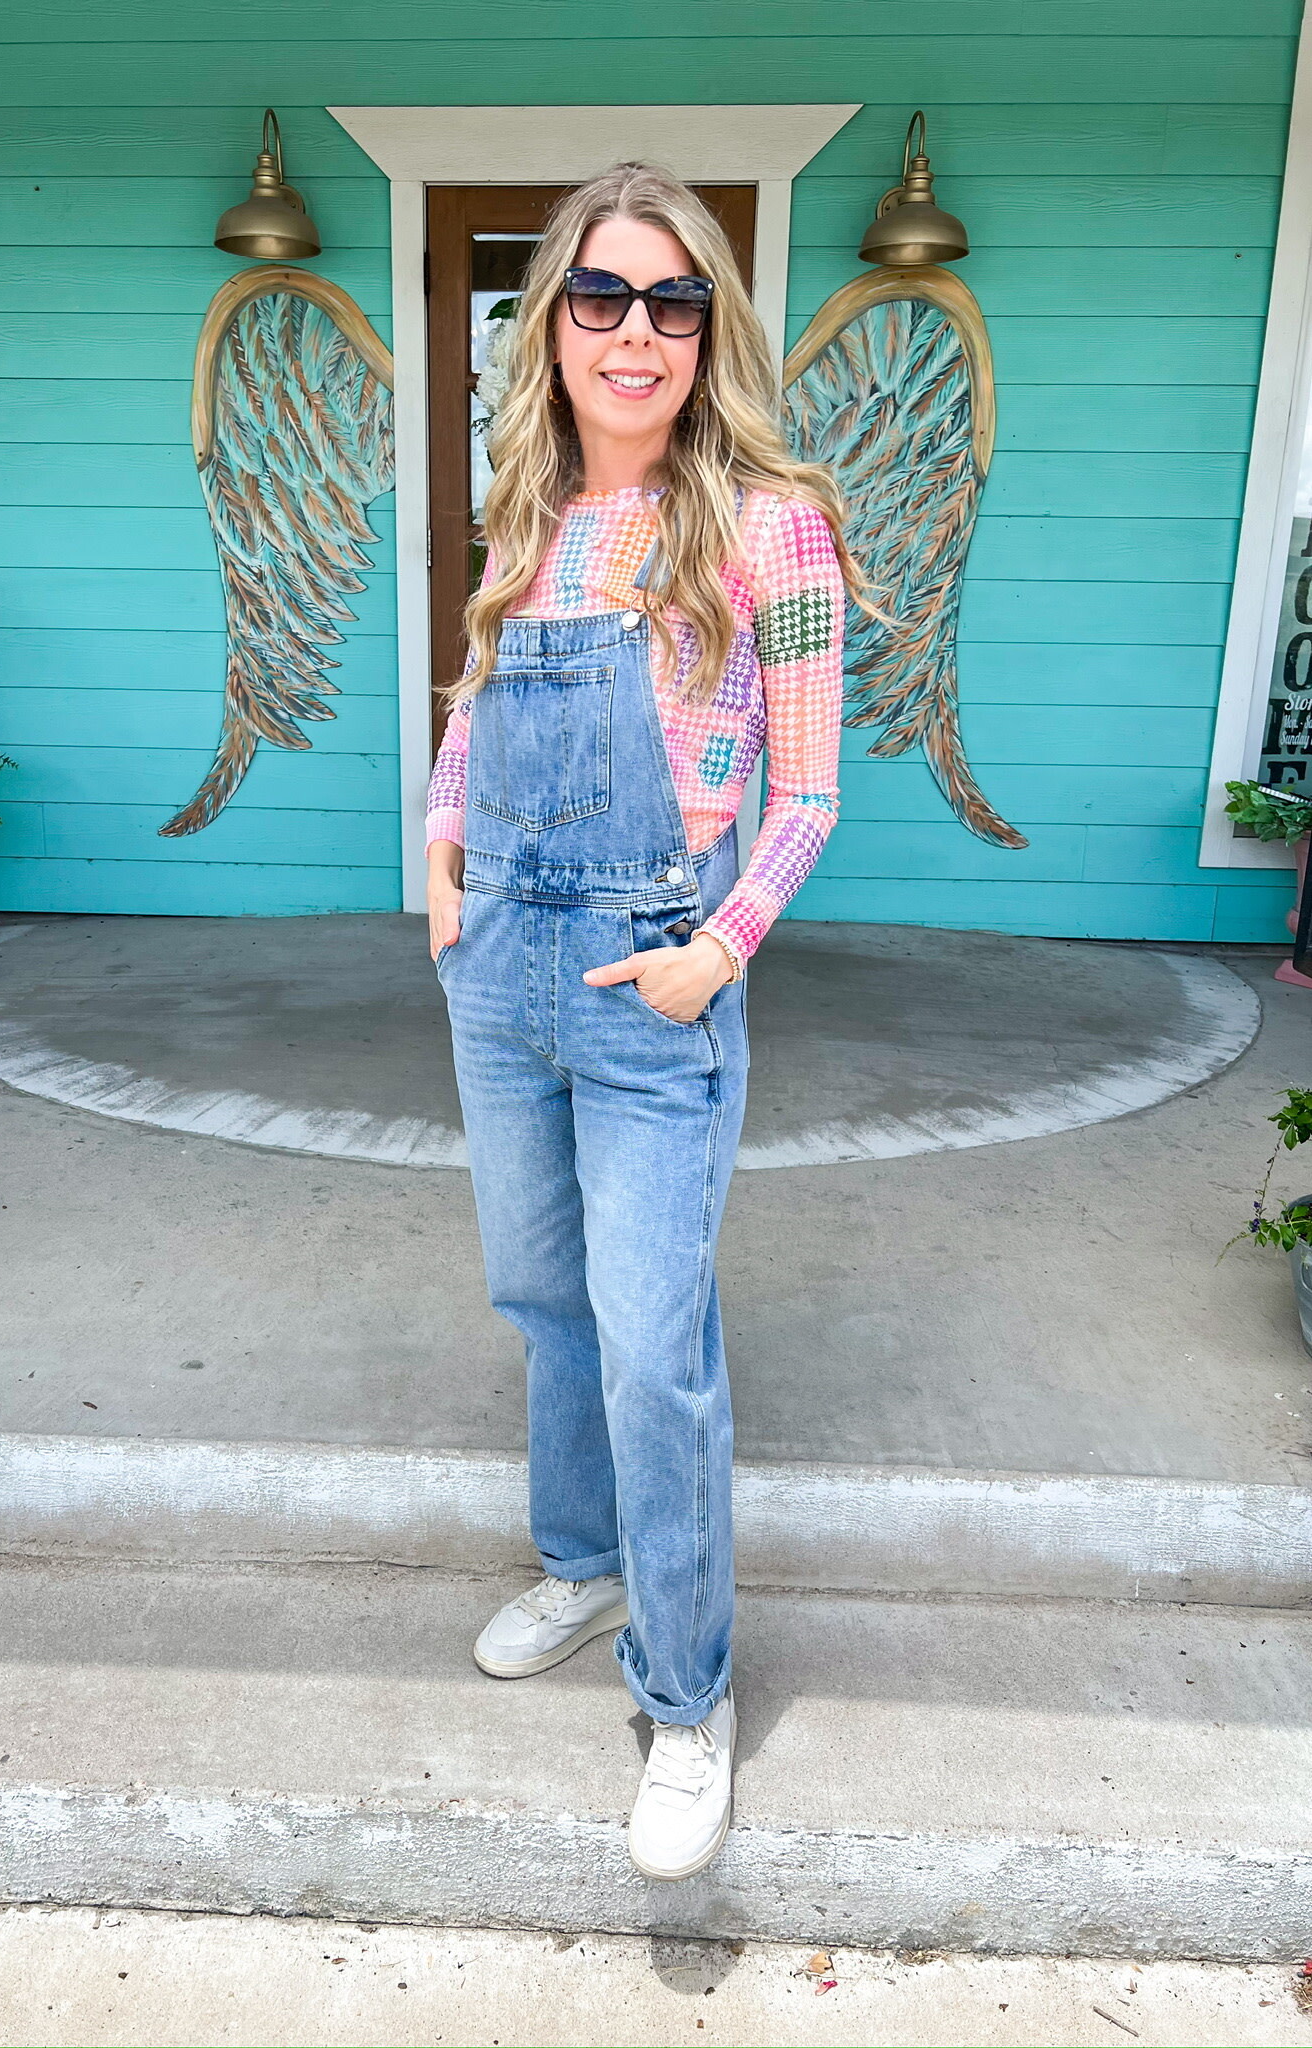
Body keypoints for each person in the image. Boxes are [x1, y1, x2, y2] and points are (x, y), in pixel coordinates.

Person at [425, 162, 864, 1882]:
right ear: (551, 329)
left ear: (709, 332)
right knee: (541, 1296)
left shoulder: (774, 523)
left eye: (671, 304)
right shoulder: (523, 512)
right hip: (503, 971)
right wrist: (439, 862)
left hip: (649, 975)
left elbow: (813, 792)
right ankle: (581, 1554)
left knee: (653, 1342)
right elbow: (478, 703)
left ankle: (686, 1705)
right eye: (599, 298)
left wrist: (720, 948)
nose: (634, 333)